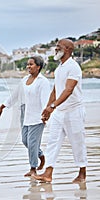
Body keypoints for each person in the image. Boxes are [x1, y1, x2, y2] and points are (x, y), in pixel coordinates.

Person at [33, 39, 87, 183]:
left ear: (68, 49)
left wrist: (52, 106)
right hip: (59, 112)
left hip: (74, 110)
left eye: (59, 47)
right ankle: (48, 173)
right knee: (53, 141)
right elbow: (56, 90)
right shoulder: (59, 68)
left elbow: (68, 90)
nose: (56, 49)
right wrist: (48, 107)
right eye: (56, 46)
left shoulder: (74, 67)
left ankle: (82, 173)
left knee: (77, 142)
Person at [0, 56, 50, 176]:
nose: (28, 67)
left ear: (38, 67)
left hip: (38, 115)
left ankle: (33, 168)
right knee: (25, 140)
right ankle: (41, 155)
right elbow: (15, 95)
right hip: (25, 113)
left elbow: (45, 100)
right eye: (28, 64)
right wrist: (3, 106)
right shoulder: (24, 80)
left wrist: (45, 115)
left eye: (31, 64)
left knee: (32, 143)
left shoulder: (43, 82)